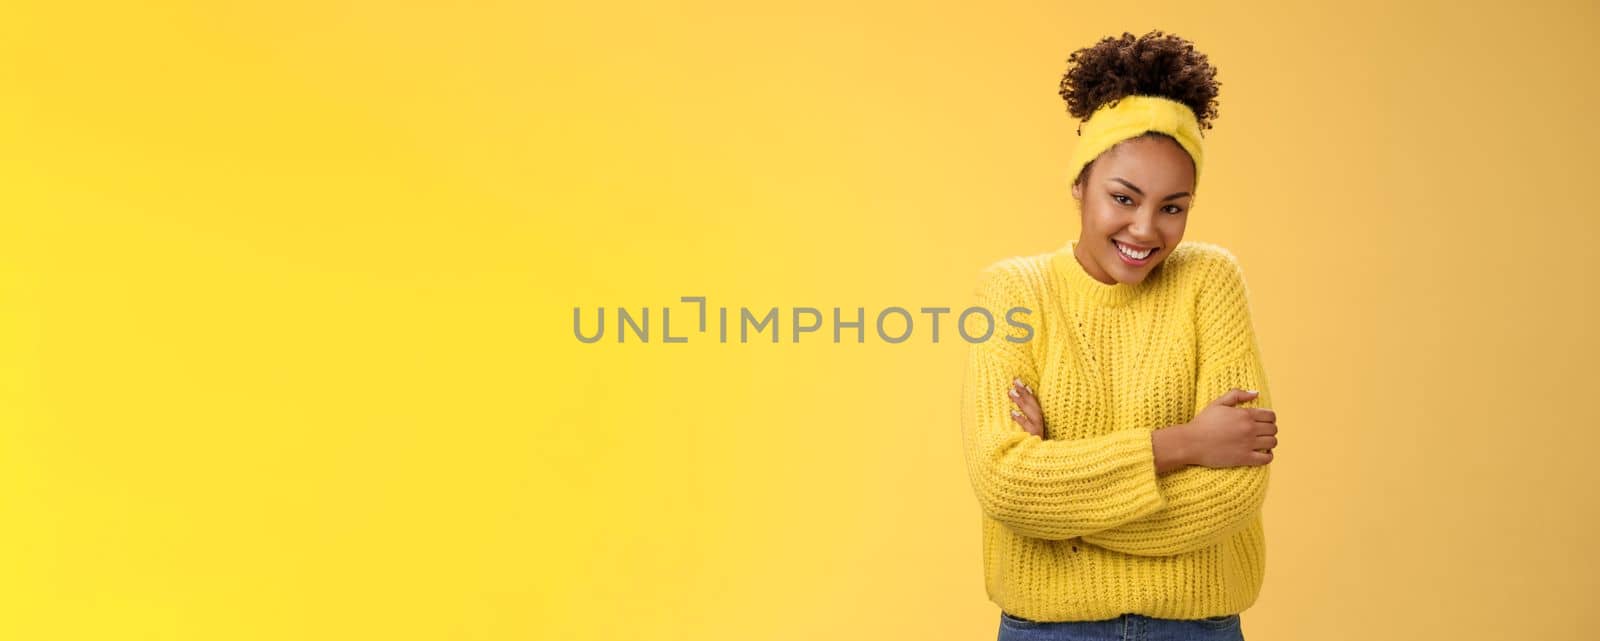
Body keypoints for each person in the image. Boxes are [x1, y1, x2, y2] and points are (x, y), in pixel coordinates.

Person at [958, 30, 1280, 641]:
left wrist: (1059, 509)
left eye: (1173, 207)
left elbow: (1234, 492)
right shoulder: (1013, 293)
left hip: (1197, 628)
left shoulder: (1210, 281)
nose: (1145, 228)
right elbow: (1005, 482)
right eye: (1123, 197)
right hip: (1049, 631)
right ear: (1080, 183)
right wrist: (1184, 444)